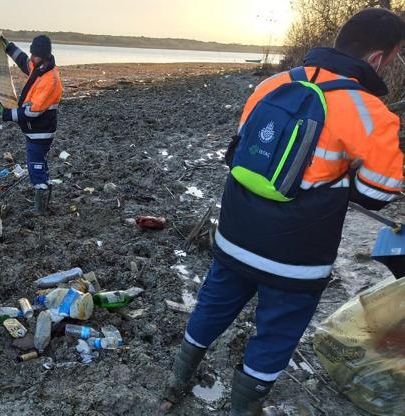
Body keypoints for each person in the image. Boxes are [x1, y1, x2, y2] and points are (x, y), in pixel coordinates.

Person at [161, 8, 404, 415]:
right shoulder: (368, 111)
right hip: (296, 257)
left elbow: (243, 153)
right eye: (396, 57)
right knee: (276, 332)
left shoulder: (272, 84)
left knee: (213, 305)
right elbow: (378, 194)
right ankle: (244, 408)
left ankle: (175, 384)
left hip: (235, 235)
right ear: (378, 58)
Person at [0, 35, 63, 215]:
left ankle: (40, 209)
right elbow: (24, 61)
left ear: (45, 55)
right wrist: (9, 47)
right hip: (37, 131)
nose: (32, 58)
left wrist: (7, 114)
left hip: (40, 132)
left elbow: (32, 112)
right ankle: (44, 201)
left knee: (35, 166)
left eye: (36, 55)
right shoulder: (41, 67)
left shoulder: (50, 79)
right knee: (40, 163)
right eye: (32, 54)